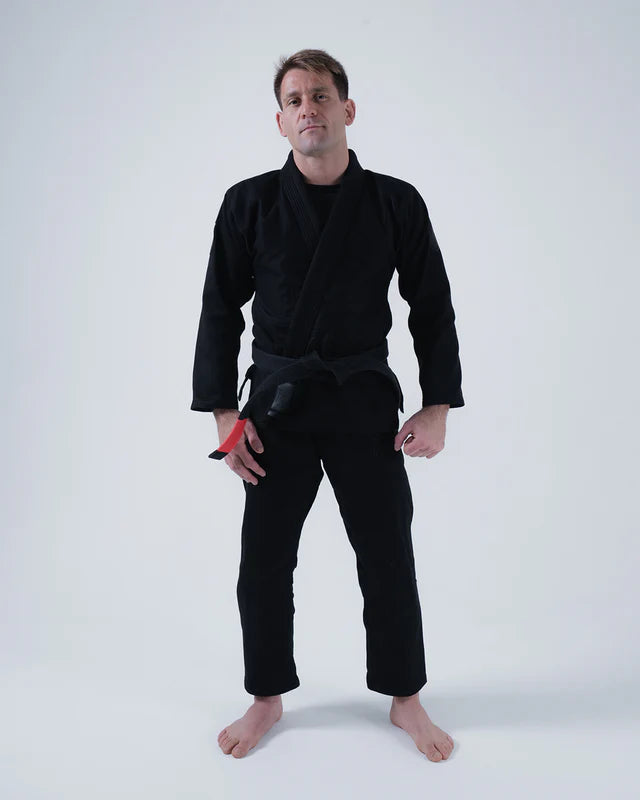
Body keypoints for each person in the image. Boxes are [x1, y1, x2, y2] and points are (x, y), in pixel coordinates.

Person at [190, 48, 464, 762]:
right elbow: (219, 309)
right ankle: (266, 696)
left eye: (319, 95)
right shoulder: (248, 202)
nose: (308, 108)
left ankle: (405, 697)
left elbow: (431, 305)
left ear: (348, 108)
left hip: (361, 403)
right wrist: (223, 414)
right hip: (276, 411)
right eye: (294, 100)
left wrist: (437, 404)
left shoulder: (395, 202)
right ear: (281, 122)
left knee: (386, 553)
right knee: (264, 560)